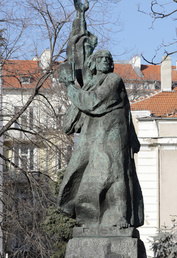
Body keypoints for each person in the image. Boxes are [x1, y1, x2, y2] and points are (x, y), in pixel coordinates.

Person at [58, 49, 144, 230]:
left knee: (115, 174)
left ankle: (120, 216)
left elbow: (93, 102)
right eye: (101, 58)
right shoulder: (91, 84)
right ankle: (89, 217)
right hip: (95, 140)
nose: (105, 60)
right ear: (94, 63)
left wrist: (70, 87)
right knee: (91, 177)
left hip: (114, 136)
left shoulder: (114, 80)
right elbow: (70, 124)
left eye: (109, 59)